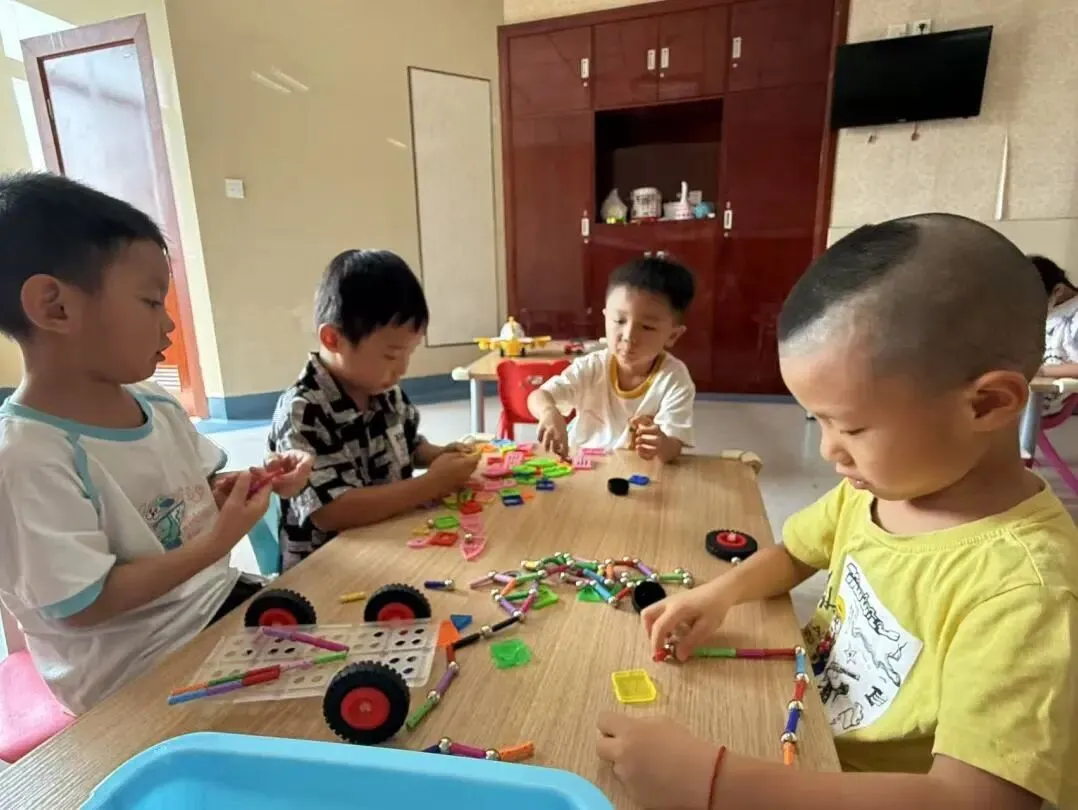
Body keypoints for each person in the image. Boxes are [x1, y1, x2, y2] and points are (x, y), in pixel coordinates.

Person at [597, 214, 1077, 810]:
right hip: (800, 730)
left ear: (986, 404)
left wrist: (715, 783)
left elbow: (979, 800)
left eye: (851, 426)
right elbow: (797, 553)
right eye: (817, 421)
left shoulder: (1026, 591)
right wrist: (718, 595)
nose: (828, 450)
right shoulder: (880, 488)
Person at [0, 172, 312, 715]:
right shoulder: (27, 456)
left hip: (210, 603)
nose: (169, 325)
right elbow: (85, 604)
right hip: (130, 668)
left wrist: (250, 483)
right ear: (55, 306)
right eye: (150, 302)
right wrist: (217, 542)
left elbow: (192, 495)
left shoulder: (156, 404)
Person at [268, 249, 479, 570]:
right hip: (330, 568)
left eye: (409, 353)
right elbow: (331, 511)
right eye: (391, 355)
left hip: (391, 541)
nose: (402, 368)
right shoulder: (302, 410)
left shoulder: (383, 390)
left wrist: (438, 455)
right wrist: (432, 484)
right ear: (333, 339)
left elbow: (408, 445)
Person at [527, 256, 696, 462]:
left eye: (647, 327)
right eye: (619, 320)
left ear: (673, 335)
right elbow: (539, 395)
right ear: (606, 317)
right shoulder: (592, 366)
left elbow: (674, 446)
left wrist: (661, 445)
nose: (629, 336)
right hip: (584, 466)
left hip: (636, 472)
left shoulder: (674, 379)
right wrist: (548, 412)